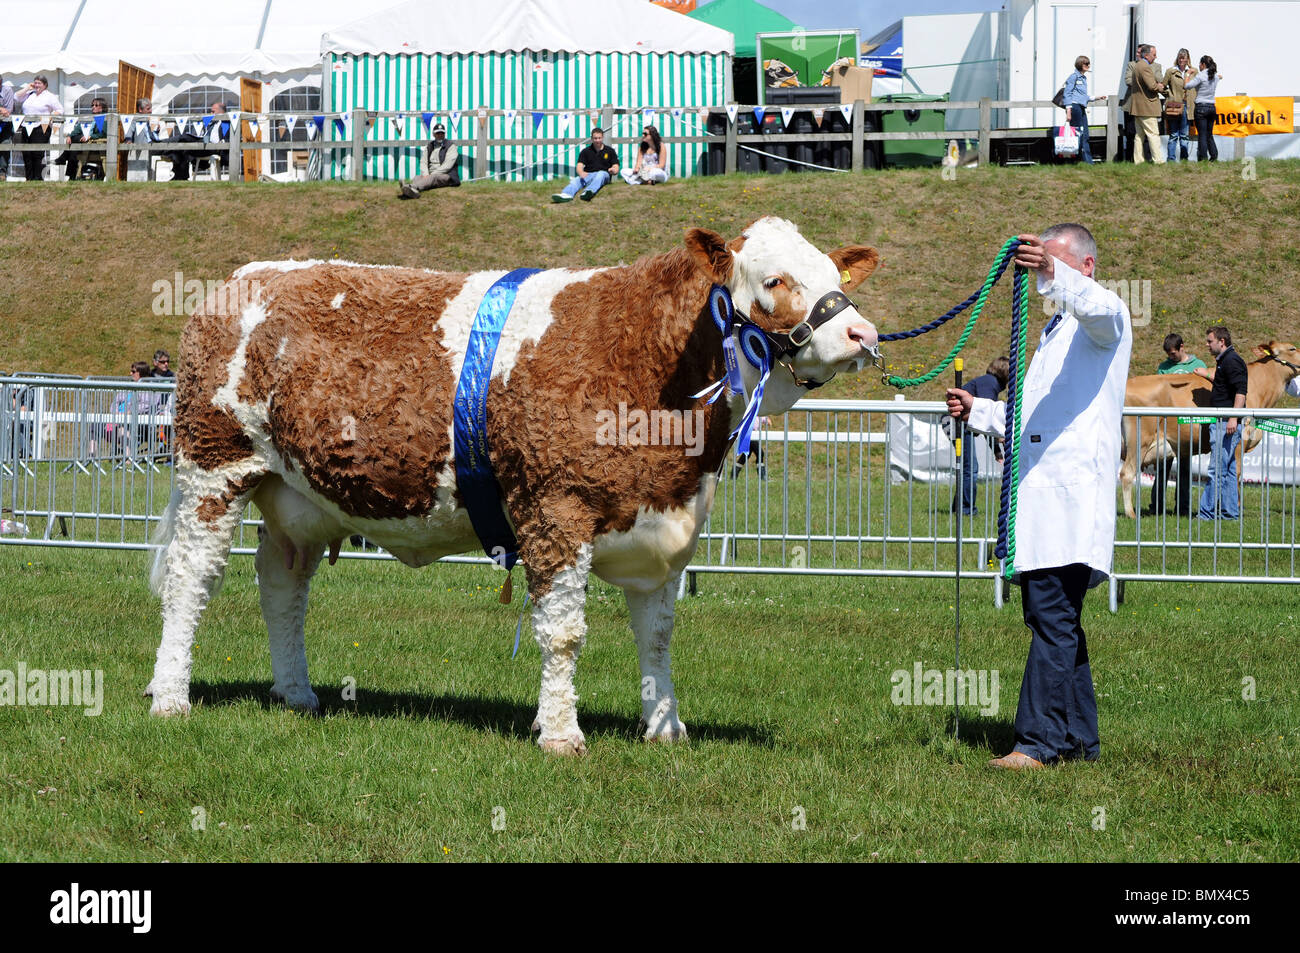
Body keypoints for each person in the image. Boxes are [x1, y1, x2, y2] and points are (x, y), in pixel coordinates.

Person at [946, 224, 1132, 770]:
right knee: (1056, 620)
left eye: (1050, 263)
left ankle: (1036, 743)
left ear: (1086, 267)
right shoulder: (1054, 332)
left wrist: (1052, 274)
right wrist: (977, 411)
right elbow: (1034, 418)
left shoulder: (1105, 319)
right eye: (1037, 265)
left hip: (1070, 503)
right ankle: (1078, 739)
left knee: (1051, 618)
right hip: (1045, 503)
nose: (1037, 275)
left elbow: (1098, 307)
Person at [1144, 333, 1208, 515]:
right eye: (1168, 355)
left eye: (1173, 354)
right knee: (1162, 468)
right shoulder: (1164, 368)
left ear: (1182, 347)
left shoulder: (1199, 366)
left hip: (1188, 426)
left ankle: (1183, 508)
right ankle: (1156, 507)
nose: (1170, 358)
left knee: (1185, 470)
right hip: (1167, 428)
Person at [1196, 325, 1248, 520]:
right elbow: (1224, 382)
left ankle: (1205, 513)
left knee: (1216, 469)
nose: (1207, 344)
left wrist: (1233, 418)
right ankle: (1230, 513)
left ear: (1222, 342)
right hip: (1225, 421)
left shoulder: (1232, 361)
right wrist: (1207, 375)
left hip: (1226, 422)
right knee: (1228, 469)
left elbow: (1240, 391)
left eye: (1210, 341)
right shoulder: (1225, 361)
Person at [950, 356, 1009, 516]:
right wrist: (997, 448)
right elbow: (984, 418)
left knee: (967, 467)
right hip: (958, 423)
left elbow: (985, 423)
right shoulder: (990, 384)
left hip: (960, 423)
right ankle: (966, 509)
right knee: (970, 468)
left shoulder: (988, 382)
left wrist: (996, 450)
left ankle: (959, 507)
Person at [551, 127, 619, 203]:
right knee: (577, 180)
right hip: (589, 174)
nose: (597, 140)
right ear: (592, 138)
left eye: (599, 138)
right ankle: (566, 194)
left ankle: (588, 192)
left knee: (601, 174)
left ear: (603, 138)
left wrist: (613, 170)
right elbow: (579, 166)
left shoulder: (610, 151)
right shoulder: (586, 151)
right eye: (595, 138)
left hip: (604, 175)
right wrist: (581, 173)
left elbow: (616, 165)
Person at [14, 74, 62, 181]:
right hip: (26, 126)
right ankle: (29, 178)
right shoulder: (29, 94)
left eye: (39, 83)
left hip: (41, 127)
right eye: (35, 82)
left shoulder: (50, 96)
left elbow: (60, 109)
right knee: (26, 153)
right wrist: (27, 87)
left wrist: (51, 116)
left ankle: (38, 178)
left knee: (37, 154)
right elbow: (16, 97)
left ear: (45, 85)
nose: (36, 85)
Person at [167, 101, 231, 181]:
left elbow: (229, 139)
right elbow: (203, 135)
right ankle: (181, 176)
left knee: (185, 137)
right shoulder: (210, 123)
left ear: (221, 112)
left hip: (215, 148)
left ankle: (163, 143)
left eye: (213, 111)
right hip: (203, 145)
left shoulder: (227, 122)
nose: (211, 113)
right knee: (183, 146)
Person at [399, 123, 459, 199]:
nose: (440, 135)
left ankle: (411, 187)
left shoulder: (451, 146)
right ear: (433, 134)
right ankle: (412, 191)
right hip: (430, 174)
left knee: (432, 177)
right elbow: (423, 161)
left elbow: (448, 165)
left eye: (442, 133)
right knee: (417, 177)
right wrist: (425, 174)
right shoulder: (430, 146)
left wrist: (430, 175)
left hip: (447, 175)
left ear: (444, 134)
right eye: (438, 133)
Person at [1129, 44, 1168, 164]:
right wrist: (1161, 87)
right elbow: (1152, 86)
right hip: (1147, 107)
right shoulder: (1145, 67)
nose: (1155, 57)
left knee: (1139, 136)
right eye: (1154, 55)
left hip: (1138, 107)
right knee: (1153, 134)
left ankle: (1138, 161)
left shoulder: (1137, 65)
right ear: (1146, 55)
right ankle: (1158, 161)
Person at [55, 96, 107, 180]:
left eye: (96, 105)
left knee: (74, 144)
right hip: (82, 142)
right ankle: (70, 173)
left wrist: (91, 136)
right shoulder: (88, 118)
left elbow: (103, 134)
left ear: (102, 108)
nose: (93, 107)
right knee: (73, 149)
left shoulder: (105, 119)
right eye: (92, 105)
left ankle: (64, 161)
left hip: (94, 145)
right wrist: (70, 136)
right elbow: (77, 129)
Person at [1185, 55, 1222, 162]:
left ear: (1203, 64)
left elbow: (1187, 86)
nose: (1199, 66)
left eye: (1200, 64)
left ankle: (1203, 158)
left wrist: (1188, 75)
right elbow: (1219, 77)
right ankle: (1214, 156)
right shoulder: (1214, 76)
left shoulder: (1201, 75)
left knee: (1202, 134)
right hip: (1211, 107)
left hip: (1201, 107)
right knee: (1209, 133)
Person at [1163, 49, 1196, 161]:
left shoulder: (1194, 71)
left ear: (1188, 59)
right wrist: (1169, 95)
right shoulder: (1170, 72)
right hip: (1174, 106)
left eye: (1184, 58)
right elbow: (1163, 86)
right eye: (1180, 57)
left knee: (1184, 135)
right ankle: (1171, 159)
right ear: (1177, 58)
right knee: (1173, 135)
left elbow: (1198, 86)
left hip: (1187, 107)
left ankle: (1184, 159)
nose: (1182, 60)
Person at [0, 75, 16, 180]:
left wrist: (3, 110)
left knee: (4, 148)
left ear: (1, 81)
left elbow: (8, 110)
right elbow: (3, 110)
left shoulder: (7, 90)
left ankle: (2, 173)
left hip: (5, 124)